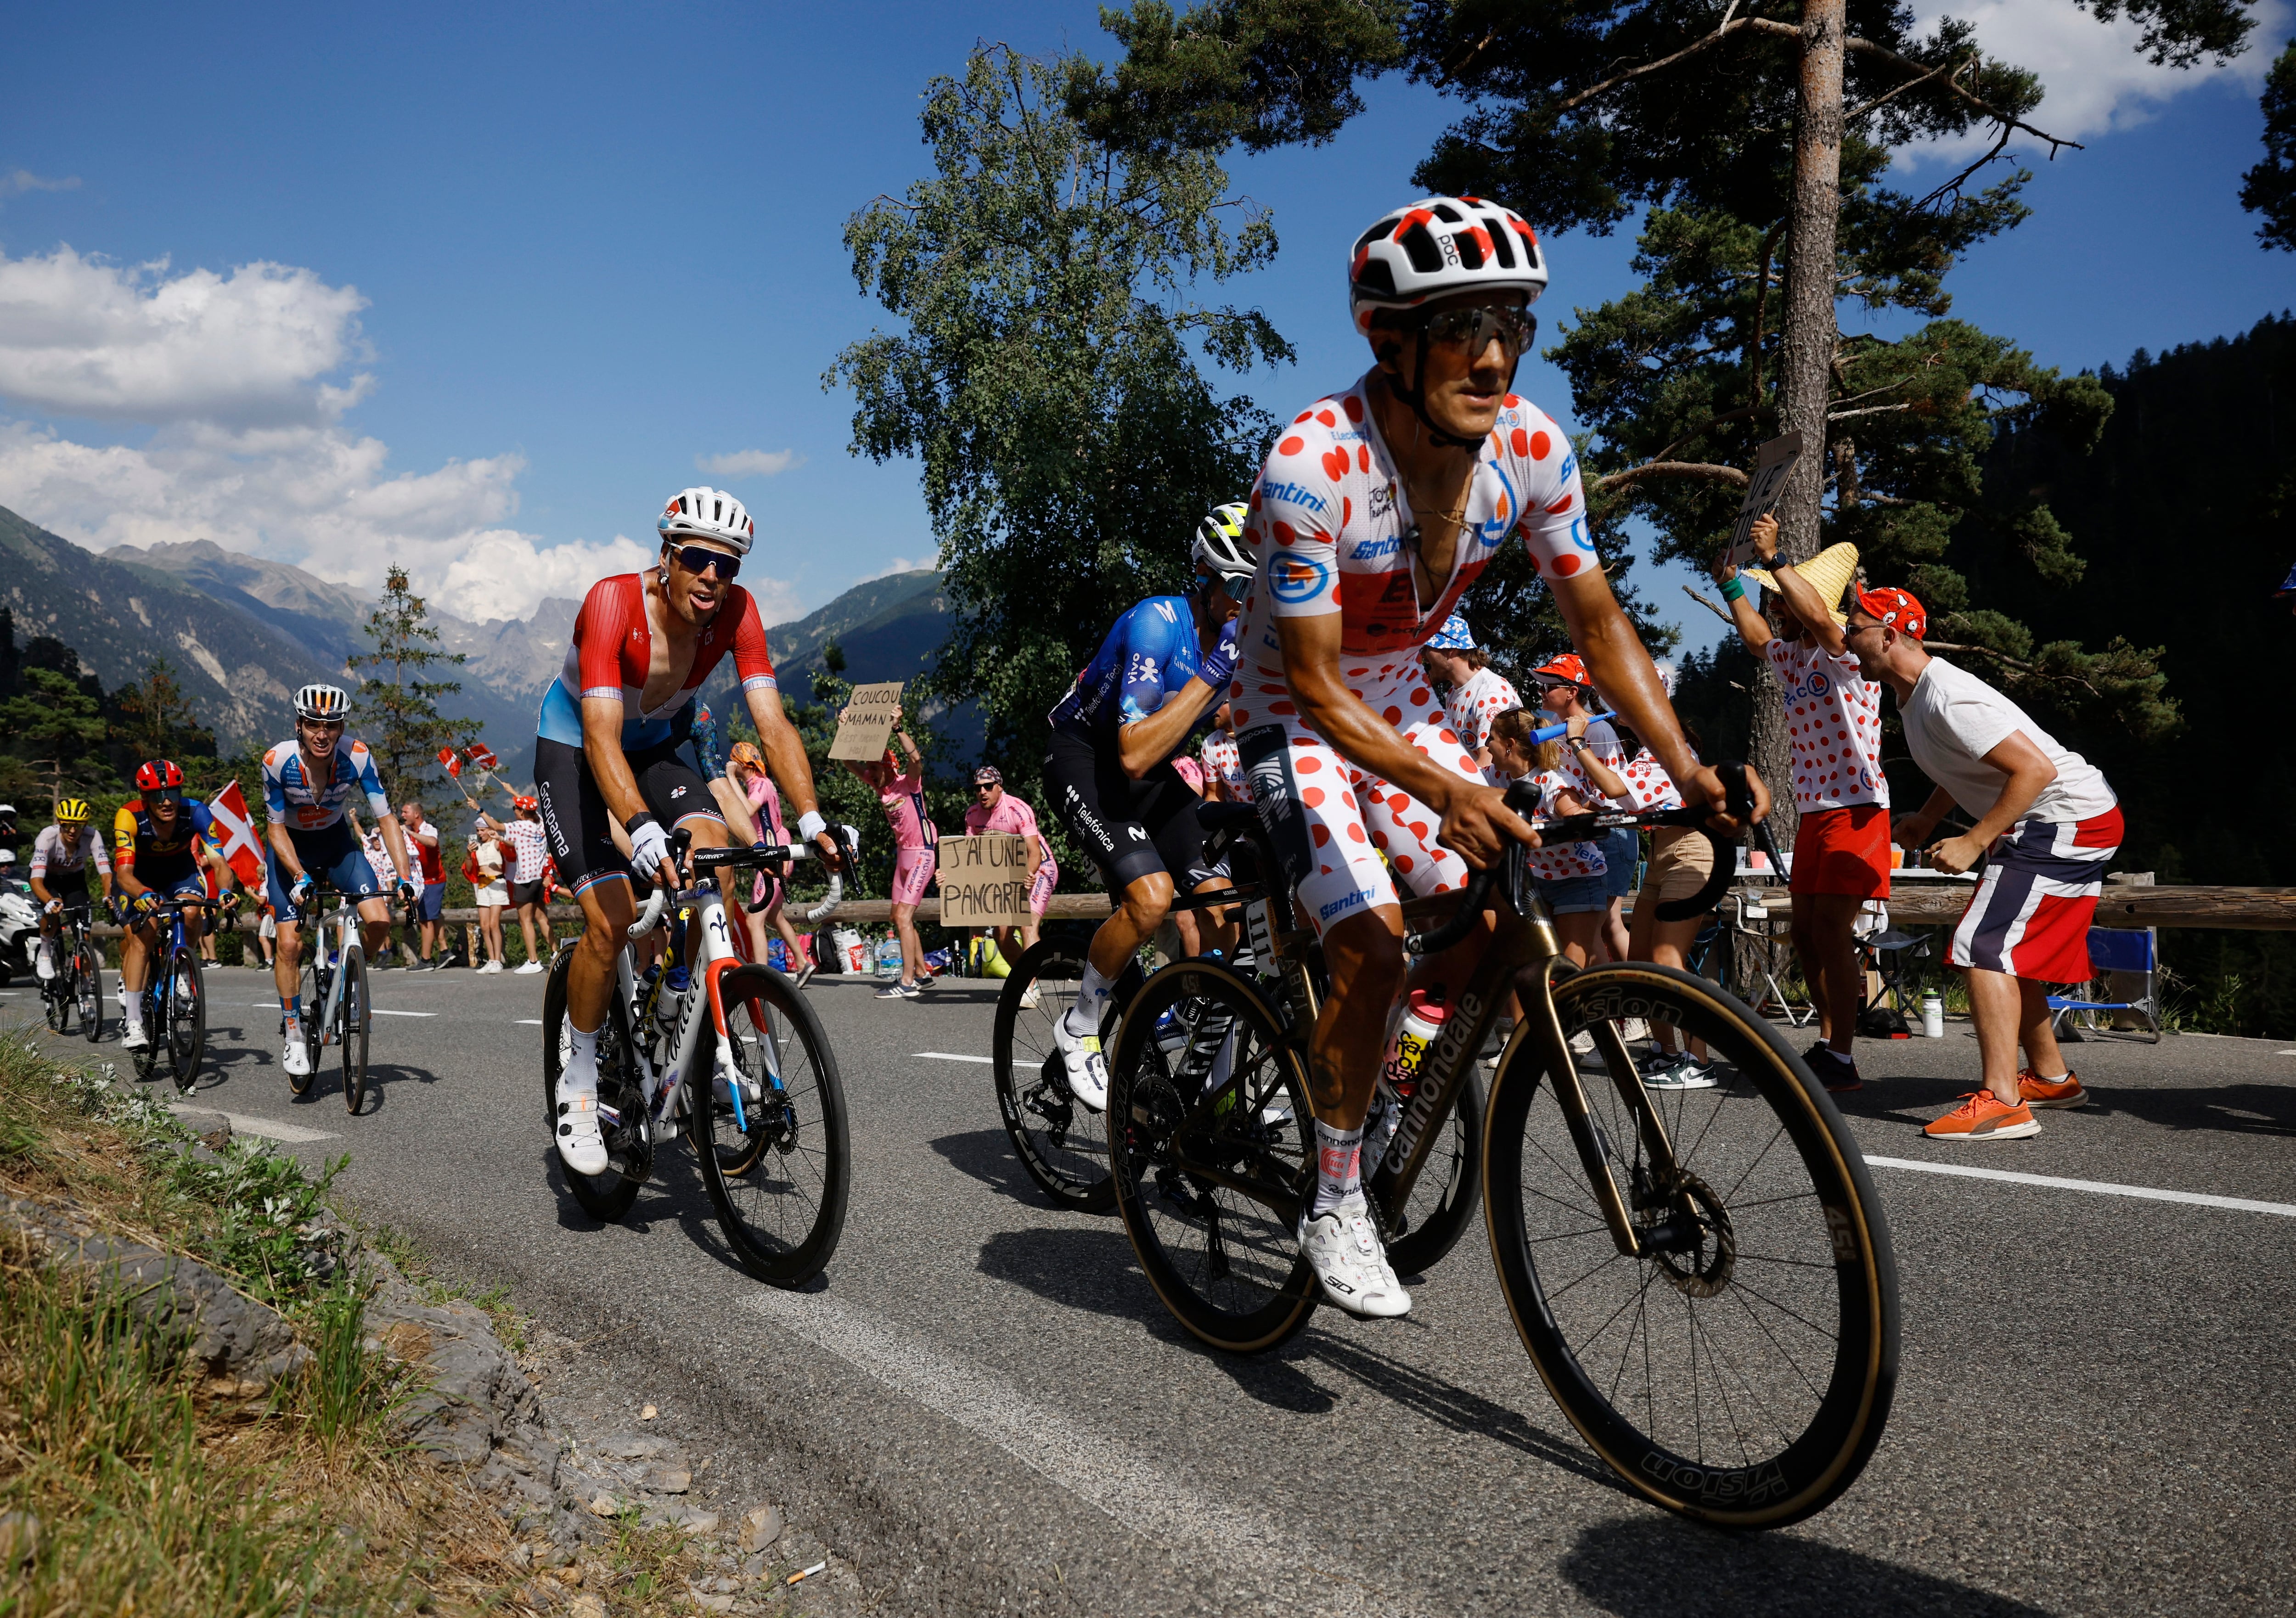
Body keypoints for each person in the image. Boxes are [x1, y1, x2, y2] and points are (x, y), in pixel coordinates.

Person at [1231, 194, 1750, 1319]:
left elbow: (1599, 625)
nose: (1495, 352)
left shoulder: (1529, 443)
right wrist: (1447, 785)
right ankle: (1333, 1193)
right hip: (1292, 715)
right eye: (1463, 324)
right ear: (1390, 339)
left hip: (1403, 705)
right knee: (1372, 947)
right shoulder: (1311, 461)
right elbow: (1316, 685)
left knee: (1484, 903)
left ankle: (1375, 1074)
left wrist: (1690, 769)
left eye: (1512, 321)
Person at [536, 484, 841, 1176]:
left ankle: (677, 991)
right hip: (580, 748)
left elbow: (773, 724)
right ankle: (580, 1082)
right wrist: (640, 827)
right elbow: (604, 739)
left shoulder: (738, 612)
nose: (713, 576)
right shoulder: (613, 602)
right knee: (609, 920)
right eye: (700, 558)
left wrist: (813, 819)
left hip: (657, 749)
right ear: (668, 555)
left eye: (728, 565)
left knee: (718, 862)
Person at [1842, 587, 2121, 1140]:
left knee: (1984, 944)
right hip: (2051, 818)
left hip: (2062, 817)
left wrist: (1973, 839)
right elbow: (1965, 762)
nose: (1848, 641)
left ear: (1888, 635)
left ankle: (2002, 1102)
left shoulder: (1947, 696)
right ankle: (2051, 1076)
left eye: (1854, 630)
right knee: (2009, 950)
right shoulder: (1913, 695)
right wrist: (1926, 818)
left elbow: (2034, 770)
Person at [1043, 501, 1254, 1110]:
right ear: (1205, 579)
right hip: (1087, 760)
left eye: (1258, 587)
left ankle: (1210, 1080)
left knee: (1224, 907)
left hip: (1154, 769)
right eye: (1238, 585)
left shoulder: (1244, 636)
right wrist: (1214, 674)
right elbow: (1133, 755)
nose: (1247, 600)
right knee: (1152, 898)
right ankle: (1080, 1026)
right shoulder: (1157, 625)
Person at [1714, 518, 1889, 1091]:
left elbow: (1817, 616)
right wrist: (1731, 587)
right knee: (1810, 932)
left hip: (1858, 806)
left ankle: (1842, 1051)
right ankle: (1827, 1042)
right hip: (1817, 809)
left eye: (1781, 596)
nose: (1778, 606)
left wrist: (1777, 555)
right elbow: (1757, 639)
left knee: (1833, 929)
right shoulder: (1793, 656)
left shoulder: (1846, 652)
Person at [262, 687, 416, 1076]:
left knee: (380, 920)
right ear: (299, 724)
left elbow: (386, 820)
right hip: (290, 851)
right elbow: (275, 830)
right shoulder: (278, 761)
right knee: (290, 943)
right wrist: (298, 876)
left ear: (341, 727)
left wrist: (405, 878)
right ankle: (294, 1033)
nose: (322, 733)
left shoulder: (358, 756)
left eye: (331, 725)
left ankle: (342, 971)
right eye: (313, 723)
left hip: (335, 845)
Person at [113, 764, 242, 1050]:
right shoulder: (129, 815)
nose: (167, 801)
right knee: (145, 934)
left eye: (172, 792)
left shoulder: (197, 811)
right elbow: (123, 874)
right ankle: (133, 1020)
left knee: (193, 910)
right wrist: (143, 892)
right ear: (145, 798)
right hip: (139, 876)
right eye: (158, 796)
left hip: (179, 871)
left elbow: (220, 862)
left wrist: (224, 891)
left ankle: (185, 964)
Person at [1530, 652, 1633, 966]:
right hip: (1583, 829)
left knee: (1605, 928)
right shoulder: (1559, 726)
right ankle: (1610, 1006)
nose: (1541, 693)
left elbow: (1612, 791)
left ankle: (1632, 1001)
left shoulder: (1597, 731)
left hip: (1609, 832)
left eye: (1548, 687)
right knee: (1595, 931)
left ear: (1572, 691)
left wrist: (1568, 807)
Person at [1485, 708, 1607, 964]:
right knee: (1532, 964)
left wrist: (1531, 825)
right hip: (1535, 879)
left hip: (1577, 879)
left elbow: (1577, 826)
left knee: (1568, 969)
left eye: (1490, 739)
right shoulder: (1496, 777)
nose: (1486, 746)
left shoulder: (1553, 783)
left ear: (1509, 745)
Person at [715, 739, 817, 987]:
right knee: (775, 916)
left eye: (734, 763)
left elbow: (747, 810)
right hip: (780, 852)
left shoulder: (759, 783)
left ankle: (761, 978)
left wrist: (729, 779)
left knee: (754, 920)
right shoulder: (759, 783)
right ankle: (804, 963)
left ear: (742, 764)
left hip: (772, 855)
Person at [846, 730, 936, 1001]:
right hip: (903, 856)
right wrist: (848, 730)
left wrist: (898, 729)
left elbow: (916, 759)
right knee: (897, 916)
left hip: (922, 854)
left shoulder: (908, 783)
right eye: (870, 769)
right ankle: (922, 972)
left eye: (875, 768)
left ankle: (908, 982)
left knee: (903, 918)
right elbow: (848, 763)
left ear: (887, 767)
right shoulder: (881, 786)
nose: (870, 773)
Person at [963, 765, 1056, 984]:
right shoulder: (972, 815)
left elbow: (1034, 853)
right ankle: (1026, 982)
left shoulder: (1017, 809)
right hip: (1008, 876)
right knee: (1001, 935)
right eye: (978, 789)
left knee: (1028, 924)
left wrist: (1029, 874)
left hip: (1040, 868)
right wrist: (946, 876)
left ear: (1000, 787)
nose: (982, 792)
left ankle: (1031, 988)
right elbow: (967, 858)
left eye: (988, 786)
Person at [29, 799, 113, 985]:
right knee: (54, 908)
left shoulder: (92, 836)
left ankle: (85, 984)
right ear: (60, 823)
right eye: (67, 826)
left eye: (78, 826)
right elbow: (36, 880)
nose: (73, 831)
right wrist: (50, 901)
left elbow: (105, 871)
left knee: (83, 932)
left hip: (74, 879)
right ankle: (44, 953)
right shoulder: (47, 837)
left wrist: (108, 894)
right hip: (47, 879)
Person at [1420, 613, 1520, 771]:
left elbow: (1488, 764)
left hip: (1497, 793)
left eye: (1427, 649)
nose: (1423, 656)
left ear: (1449, 650)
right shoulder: (1455, 692)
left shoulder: (1491, 695)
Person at [489, 797, 550, 973]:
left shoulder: (522, 826)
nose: (514, 811)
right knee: (541, 916)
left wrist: (479, 810)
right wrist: (500, 838)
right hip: (539, 876)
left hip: (525, 879)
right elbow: (516, 842)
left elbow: (496, 825)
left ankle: (533, 961)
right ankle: (554, 952)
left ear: (522, 812)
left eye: (516, 808)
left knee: (525, 920)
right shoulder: (540, 822)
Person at [399, 801, 446, 968]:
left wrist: (411, 833)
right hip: (422, 880)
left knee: (426, 920)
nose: (403, 815)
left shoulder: (428, 829)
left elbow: (432, 843)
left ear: (416, 815)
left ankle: (426, 960)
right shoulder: (411, 831)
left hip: (433, 880)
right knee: (432, 917)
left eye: (406, 812)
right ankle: (445, 951)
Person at [469, 824, 509, 972]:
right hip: (483, 885)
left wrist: (497, 835)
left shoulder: (496, 843)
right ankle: (492, 959)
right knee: (484, 926)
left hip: (497, 883)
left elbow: (509, 846)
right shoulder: (477, 848)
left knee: (494, 924)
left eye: (482, 830)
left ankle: (498, 960)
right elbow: (468, 868)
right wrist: (469, 854)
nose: (480, 833)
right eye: (478, 831)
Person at [1199, 703, 1251, 804]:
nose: (1215, 707)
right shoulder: (1211, 744)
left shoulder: (1266, 734)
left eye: (1223, 701)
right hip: (1240, 816)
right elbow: (1214, 795)